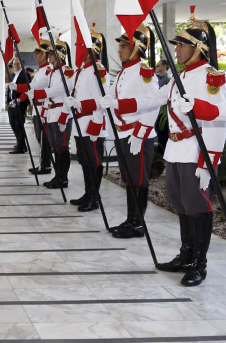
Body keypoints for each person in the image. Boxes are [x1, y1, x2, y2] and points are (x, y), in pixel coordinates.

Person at [102, 7, 226, 286]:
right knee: (180, 202)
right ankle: (185, 255)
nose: (177, 49)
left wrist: (208, 161)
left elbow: (219, 121)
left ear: (199, 48)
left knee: (197, 205)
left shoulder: (211, 78)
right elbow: (153, 99)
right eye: (177, 45)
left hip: (196, 152)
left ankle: (199, 264)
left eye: (182, 45)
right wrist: (120, 104)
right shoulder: (179, 77)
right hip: (175, 150)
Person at [106, 25, 158, 237]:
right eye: (119, 46)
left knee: (138, 180)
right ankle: (130, 219)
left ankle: (137, 224)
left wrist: (139, 134)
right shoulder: (123, 72)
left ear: (136, 47)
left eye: (123, 47)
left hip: (137, 136)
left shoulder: (144, 73)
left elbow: (153, 105)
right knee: (129, 179)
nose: (119, 51)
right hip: (123, 133)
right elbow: (114, 97)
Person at [62, 28, 109, 213]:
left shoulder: (99, 71)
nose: (78, 50)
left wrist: (95, 124)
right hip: (80, 123)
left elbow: (101, 101)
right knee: (84, 159)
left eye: (81, 46)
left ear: (92, 49)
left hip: (92, 123)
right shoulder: (82, 70)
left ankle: (94, 197)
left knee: (93, 160)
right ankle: (88, 193)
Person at [31, 42, 74, 190]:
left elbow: (62, 91)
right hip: (51, 113)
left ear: (60, 54)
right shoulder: (53, 72)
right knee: (55, 147)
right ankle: (58, 176)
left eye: (51, 54)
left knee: (62, 147)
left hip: (61, 113)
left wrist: (64, 115)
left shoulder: (67, 72)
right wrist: (45, 112)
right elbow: (49, 94)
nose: (48, 56)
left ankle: (63, 178)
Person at [10, 40, 56, 178]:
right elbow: (32, 88)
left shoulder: (48, 70)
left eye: (38, 53)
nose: (35, 56)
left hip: (43, 108)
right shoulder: (41, 70)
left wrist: (17, 87)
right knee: (39, 137)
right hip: (37, 107)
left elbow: (34, 86)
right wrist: (20, 99)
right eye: (35, 53)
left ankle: (46, 165)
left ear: (45, 54)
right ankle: (43, 163)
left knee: (44, 138)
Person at [7, 58, 29, 154]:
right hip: (12, 102)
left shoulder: (25, 74)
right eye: (14, 64)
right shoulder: (13, 75)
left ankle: (21, 146)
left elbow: (27, 88)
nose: (15, 66)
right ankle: (20, 142)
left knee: (19, 124)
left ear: (21, 64)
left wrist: (20, 99)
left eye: (17, 64)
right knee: (13, 123)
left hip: (20, 103)